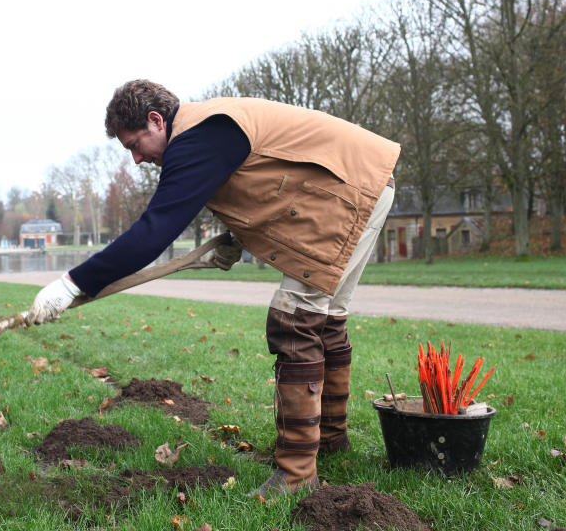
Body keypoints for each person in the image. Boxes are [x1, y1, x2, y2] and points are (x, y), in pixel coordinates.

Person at [26, 79, 399, 497]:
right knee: (324, 321)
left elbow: (153, 232)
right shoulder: (208, 131)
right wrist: (237, 239)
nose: (135, 158)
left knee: (295, 320)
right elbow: (271, 178)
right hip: (366, 182)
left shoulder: (198, 138)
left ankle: (296, 475)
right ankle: (329, 441)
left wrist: (71, 283)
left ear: (156, 120)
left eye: (135, 143)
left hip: (349, 194)